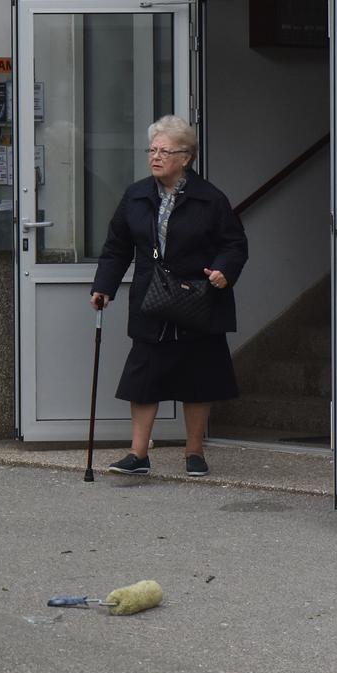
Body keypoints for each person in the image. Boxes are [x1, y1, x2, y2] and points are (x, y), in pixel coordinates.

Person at [90, 114, 249, 479]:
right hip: (152, 299)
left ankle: (194, 452)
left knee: (199, 376)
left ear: (186, 157)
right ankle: (138, 454)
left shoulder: (210, 199)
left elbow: (234, 244)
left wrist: (223, 271)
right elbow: (117, 246)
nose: (155, 157)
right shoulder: (136, 195)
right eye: (152, 150)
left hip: (198, 298)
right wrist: (104, 286)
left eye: (164, 151)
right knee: (143, 377)